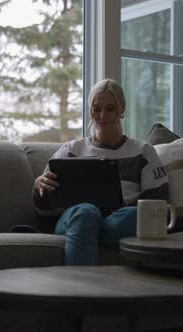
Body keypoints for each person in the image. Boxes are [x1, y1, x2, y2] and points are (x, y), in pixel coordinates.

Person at [32, 78, 169, 265]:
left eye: (110, 108)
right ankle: (81, 290)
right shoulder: (71, 150)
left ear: (122, 109)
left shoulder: (143, 151)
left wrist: (126, 204)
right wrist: (39, 185)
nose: (102, 115)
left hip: (119, 220)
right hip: (76, 219)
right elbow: (43, 207)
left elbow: (158, 203)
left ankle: (90, 231)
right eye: (96, 109)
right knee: (86, 212)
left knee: (133, 215)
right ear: (90, 110)